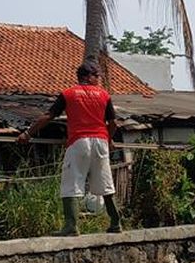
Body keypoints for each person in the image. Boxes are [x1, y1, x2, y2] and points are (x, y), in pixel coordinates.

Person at [20, 62, 122, 236]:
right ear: (88, 76)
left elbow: (48, 116)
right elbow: (113, 123)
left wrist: (27, 133)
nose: (99, 79)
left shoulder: (68, 94)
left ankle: (71, 226)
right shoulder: (104, 95)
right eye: (97, 76)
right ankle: (116, 223)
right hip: (100, 141)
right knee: (106, 184)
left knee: (71, 182)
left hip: (79, 141)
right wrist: (109, 139)